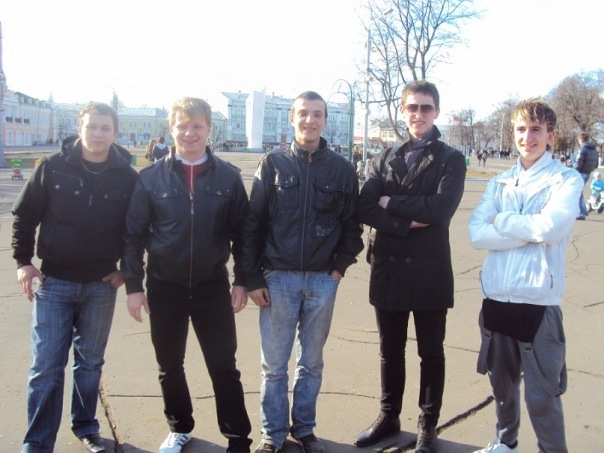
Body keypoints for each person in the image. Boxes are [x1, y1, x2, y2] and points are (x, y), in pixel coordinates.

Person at [122, 96, 253, 453]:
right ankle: (179, 427)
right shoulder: (150, 178)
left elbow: (244, 234)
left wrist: (242, 279)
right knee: (169, 365)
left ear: (209, 129)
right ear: (171, 129)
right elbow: (132, 236)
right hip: (165, 287)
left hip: (213, 288)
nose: (190, 133)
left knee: (224, 367)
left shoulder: (228, 177)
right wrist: (134, 286)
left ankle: (237, 438)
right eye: (182, 125)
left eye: (197, 126)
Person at [11, 102, 138, 453]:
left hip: (101, 286)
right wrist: (23, 261)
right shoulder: (52, 167)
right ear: (79, 128)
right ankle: (37, 443)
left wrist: (127, 269)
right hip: (54, 283)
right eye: (91, 126)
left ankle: (85, 426)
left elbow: (137, 230)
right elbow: (25, 215)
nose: (98, 134)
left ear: (115, 133)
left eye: (105, 128)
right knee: (46, 367)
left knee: (90, 363)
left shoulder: (128, 177)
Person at [242, 91, 363, 453]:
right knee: (274, 366)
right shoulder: (273, 164)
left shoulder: (342, 170)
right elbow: (252, 224)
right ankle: (272, 434)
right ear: (292, 118)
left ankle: (305, 429)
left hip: (322, 280)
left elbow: (352, 226)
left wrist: (338, 270)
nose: (310, 120)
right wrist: (252, 278)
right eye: (303, 114)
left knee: (311, 362)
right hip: (277, 278)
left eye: (317, 114)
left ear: (325, 120)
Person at [355, 80, 466, 453]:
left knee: (430, 352)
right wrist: (405, 222)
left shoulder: (451, 158)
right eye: (412, 107)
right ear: (402, 111)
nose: (418, 114)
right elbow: (364, 206)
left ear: (437, 112)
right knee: (390, 350)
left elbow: (441, 209)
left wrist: (390, 202)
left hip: (429, 269)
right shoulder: (384, 157)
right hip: (388, 266)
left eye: (426, 107)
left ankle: (427, 424)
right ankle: (389, 416)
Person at [469, 98, 583, 453]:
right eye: (521, 129)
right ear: (512, 133)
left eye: (536, 130)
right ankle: (506, 443)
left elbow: (551, 227)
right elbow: (477, 234)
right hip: (496, 297)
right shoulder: (500, 182)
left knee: (542, 394)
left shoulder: (565, 179)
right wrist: (528, 231)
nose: (527, 137)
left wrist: (501, 221)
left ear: (550, 135)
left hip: (538, 301)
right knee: (501, 387)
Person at [574, 132, 599, 220]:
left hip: (581, 172)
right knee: (579, 191)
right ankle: (583, 210)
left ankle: (582, 212)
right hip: (588, 172)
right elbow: (596, 163)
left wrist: (574, 171)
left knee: (578, 192)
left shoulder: (583, 149)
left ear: (580, 140)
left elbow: (579, 162)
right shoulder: (594, 149)